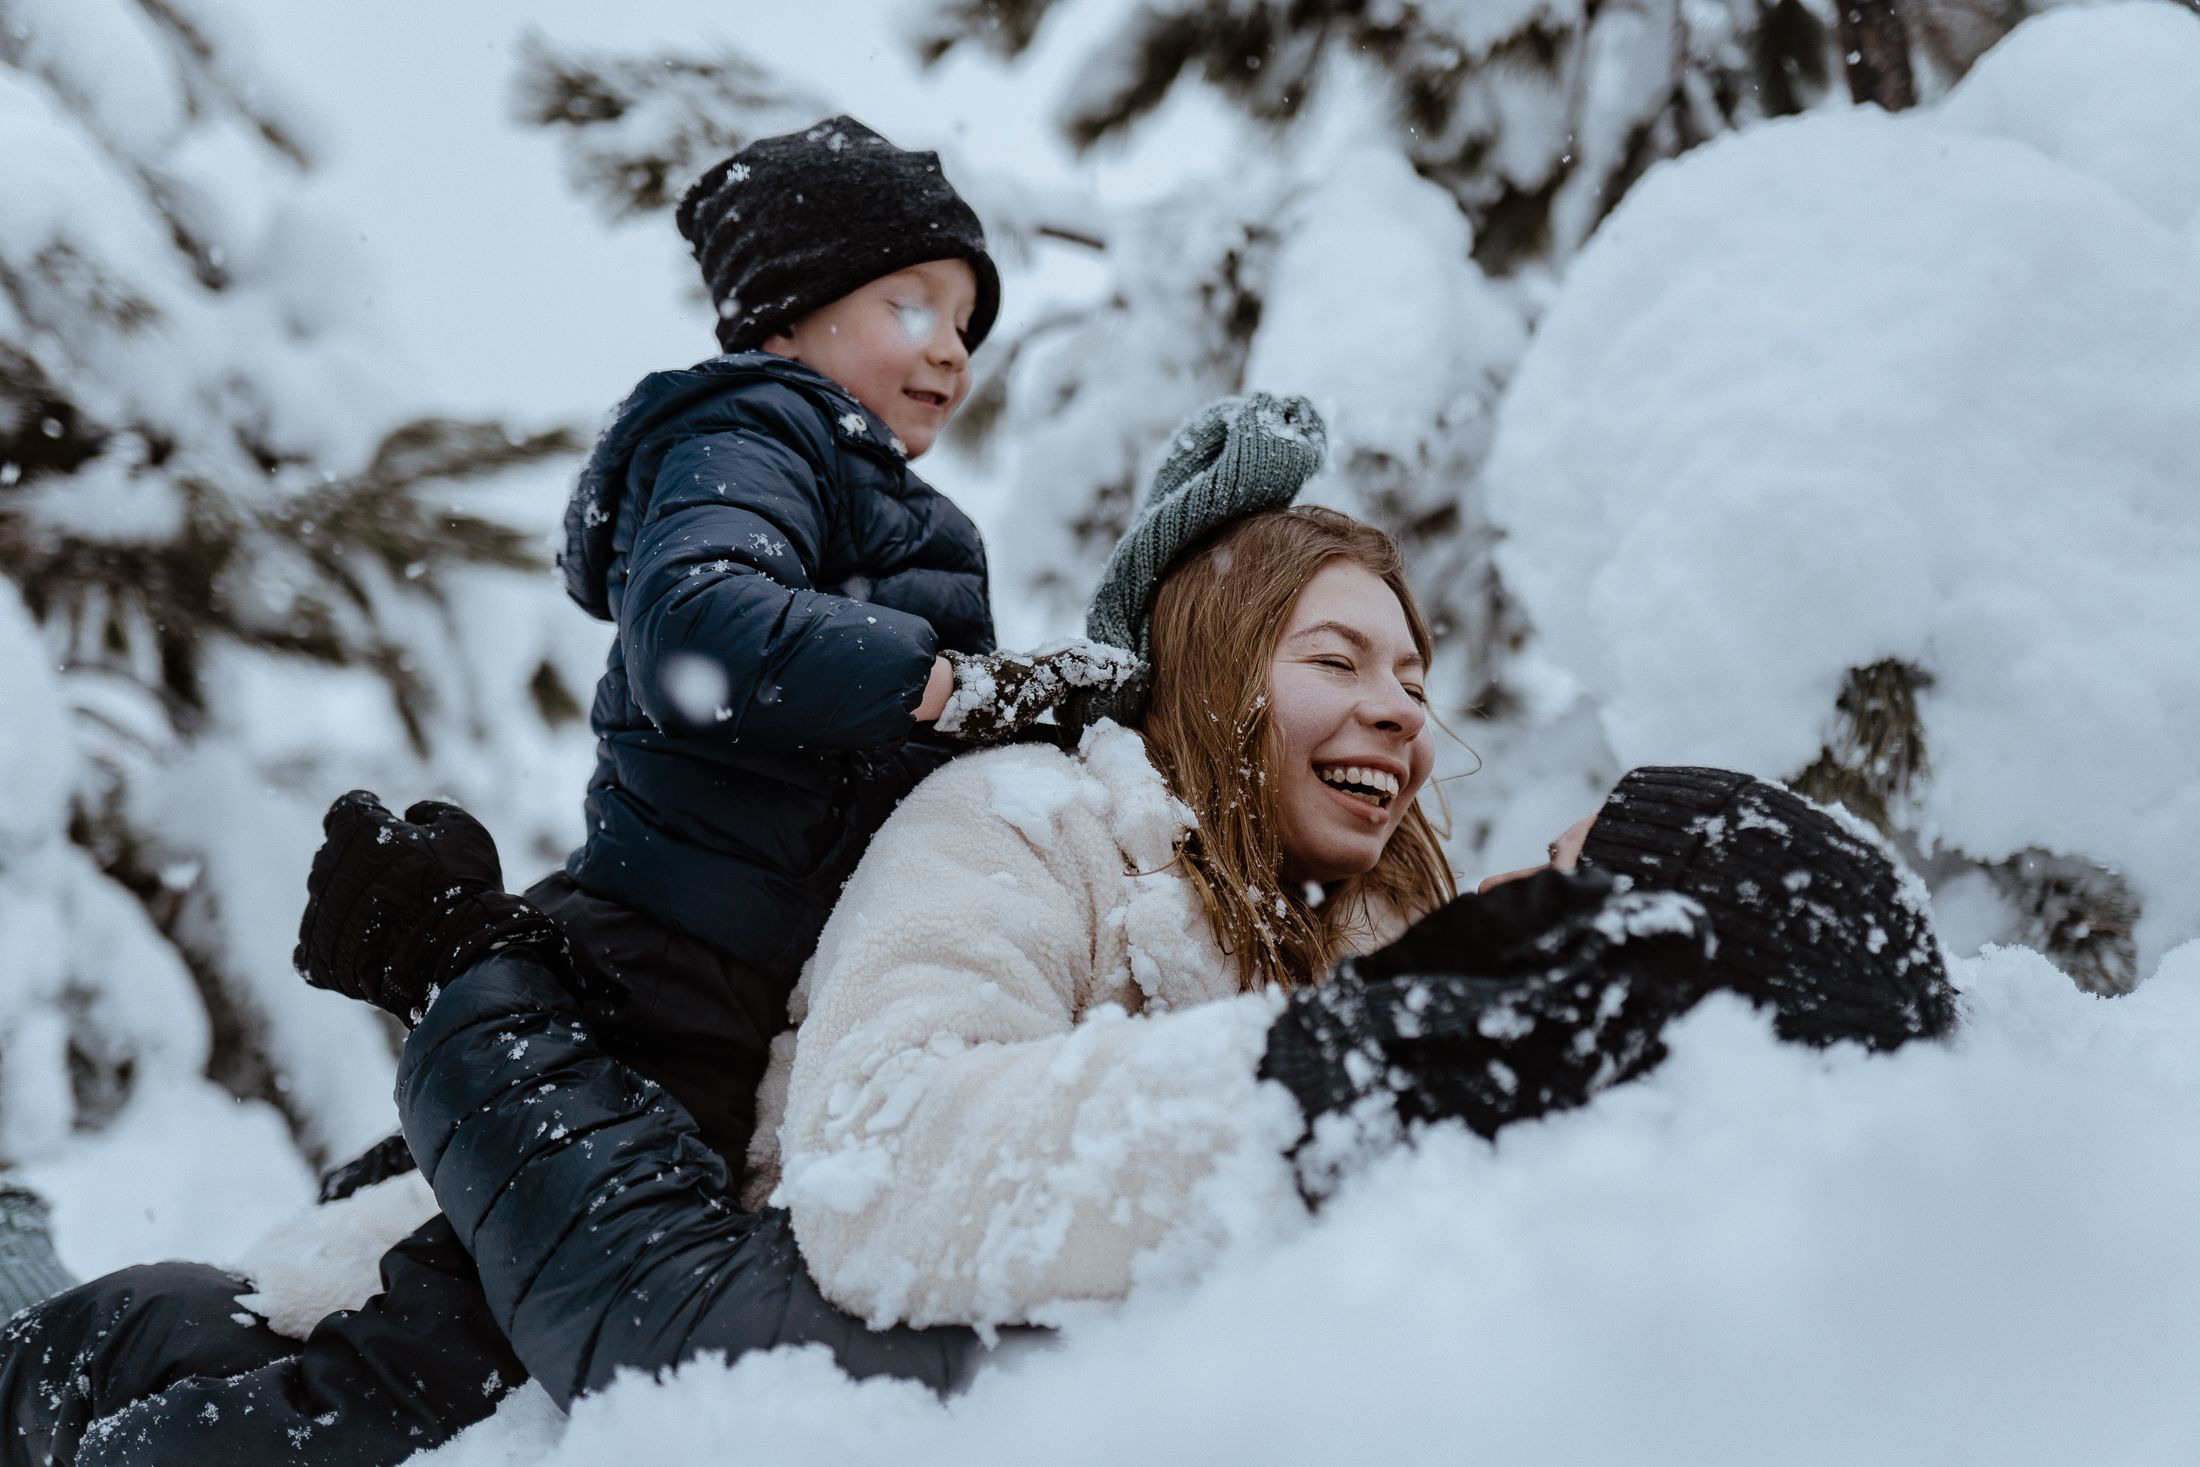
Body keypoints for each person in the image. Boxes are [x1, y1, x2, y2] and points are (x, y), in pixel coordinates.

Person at [0, 399, 1958, 1460]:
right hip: (497, 1300)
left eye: (1418, 676)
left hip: (612, 1299)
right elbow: (878, 1158)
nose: (1398, 710)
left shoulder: (1388, 932)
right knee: (96, 1359)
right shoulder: (1037, 820)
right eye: (1339, 656)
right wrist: (1323, 1077)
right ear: (1216, 671)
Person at [0, 114, 1128, 1467]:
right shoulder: (759, 429)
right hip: (662, 995)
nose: (951, 349)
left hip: (695, 993)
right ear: (787, 312)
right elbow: (702, 630)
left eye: (968, 322)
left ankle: (78, 1355)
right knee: (434, 1375)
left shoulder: (855, 489)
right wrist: (956, 688)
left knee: (401, 1309)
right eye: (911, 305)